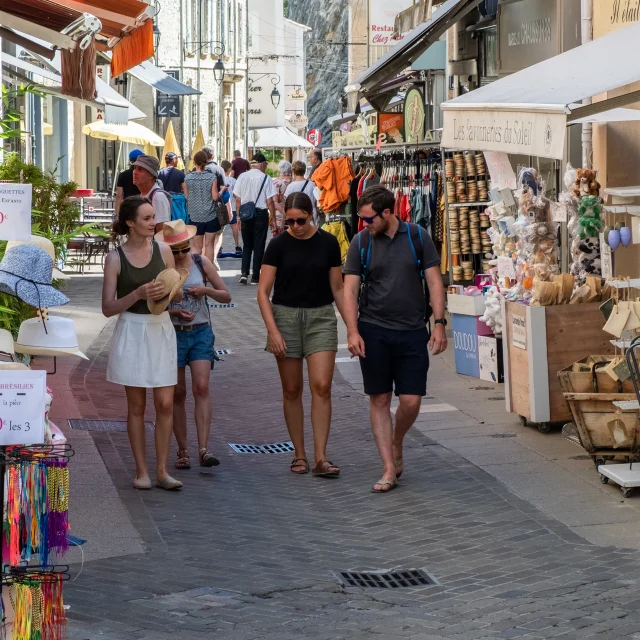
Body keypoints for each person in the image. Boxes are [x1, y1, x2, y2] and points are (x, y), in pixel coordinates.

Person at [342, 186, 448, 494]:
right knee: (380, 399)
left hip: (413, 330)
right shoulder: (361, 243)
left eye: (369, 219)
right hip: (373, 329)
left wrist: (439, 323)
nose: (364, 224)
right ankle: (388, 468)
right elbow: (349, 290)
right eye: (361, 219)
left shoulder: (417, 237)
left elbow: (434, 281)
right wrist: (352, 330)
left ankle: (397, 439)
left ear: (388, 213)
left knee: (412, 401)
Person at [257, 192, 345, 477]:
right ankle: (299, 454)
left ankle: (321, 457)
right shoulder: (278, 245)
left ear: (312, 215)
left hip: (320, 316)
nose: (294, 226)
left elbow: (339, 289)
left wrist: (353, 328)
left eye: (300, 221)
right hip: (285, 317)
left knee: (322, 385)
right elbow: (262, 291)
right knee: (292, 389)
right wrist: (273, 331)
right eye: (289, 222)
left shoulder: (329, 243)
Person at [102, 195, 184, 491]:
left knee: (165, 403)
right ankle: (141, 471)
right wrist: (136, 295)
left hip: (159, 328)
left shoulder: (164, 250)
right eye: (147, 219)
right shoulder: (115, 258)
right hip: (132, 330)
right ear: (130, 223)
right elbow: (108, 308)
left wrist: (169, 291)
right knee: (136, 406)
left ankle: (162, 471)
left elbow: (176, 293)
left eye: (153, 218)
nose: (153, 223)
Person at [156, 220, 232, 469]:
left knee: (201, 387)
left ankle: (203, 448)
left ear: (190, 245)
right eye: (174, 251)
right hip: (173, 334)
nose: (180, 255)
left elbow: (226, 295)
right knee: (177, 393)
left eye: (183, 249)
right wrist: (174, 313)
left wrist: (205, 291)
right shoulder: (163, 269)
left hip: (201, 332)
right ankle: (182, 450)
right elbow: (153, 309)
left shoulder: (201, 263)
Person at [233, 153, 277, 285]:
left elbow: (238, 199)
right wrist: (273, 218)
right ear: (262, 164)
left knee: (247, 245)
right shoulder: (266, 178)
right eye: (265, 164)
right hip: (261, 214)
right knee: (259, 245)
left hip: (246, 213)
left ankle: (244, 273)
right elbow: (270, 201)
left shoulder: (242, 176)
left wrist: (239, 216)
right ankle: (256, 276)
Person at [184, 150, 220, 263]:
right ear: (206, 162)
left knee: (196, 246)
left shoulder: (187, 178)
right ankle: (208, 271)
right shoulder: (212, 177)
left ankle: (195, 269)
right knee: (209, 245)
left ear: (194, 162)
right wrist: (221, 192)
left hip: (194, 216)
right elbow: (215, 197)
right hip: (210, 215)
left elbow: (187, 197)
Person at [132, 155, 172, 233]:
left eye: (140, 169)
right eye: (134, 168)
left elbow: (161, 232)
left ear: (150, 175)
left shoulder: (158, 197)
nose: (135, 172)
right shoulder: (143, 195)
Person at [221, 160, 241, 254]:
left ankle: (219, 247)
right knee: (234, 227)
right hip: (232, 207)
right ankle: (237, 245)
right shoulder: (233, 181)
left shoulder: (218, 180)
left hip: (221, 208)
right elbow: (236, 196)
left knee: (221, 229)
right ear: (229, 169)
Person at [115, 149, 143, 214]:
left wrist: (117, 213)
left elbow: (119, 195)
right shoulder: (143, 174)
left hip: (127, 206)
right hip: (141, 206)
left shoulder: (123, 175)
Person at [273, 160, 293, 234]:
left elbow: (275, 202)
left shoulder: (276, 183)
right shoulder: (294, 181)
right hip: (294, 216)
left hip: (279, 217)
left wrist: (286, 215)